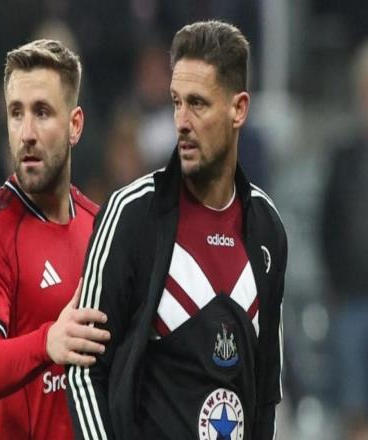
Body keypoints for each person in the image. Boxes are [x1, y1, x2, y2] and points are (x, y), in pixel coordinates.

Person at [67, 20, 287, 440]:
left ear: (239, 109)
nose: (182, 121)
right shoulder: (131, 214)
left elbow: (266, 393)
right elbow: (83, 370)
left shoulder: (267, 228)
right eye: (176, 102)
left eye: (198, 104)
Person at [0, 39, 110, 440]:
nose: (26, 133)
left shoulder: (102, 227)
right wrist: (48, 342)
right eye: (16, 113)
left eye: (42, 112)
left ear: (75, 125)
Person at [321, 40, 368, 438]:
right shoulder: (343, 156)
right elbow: (328, 224)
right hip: (351, 296)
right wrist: (334, 283)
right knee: (352, 401)